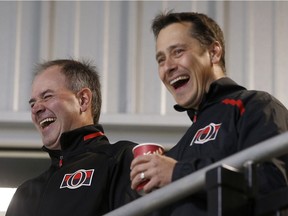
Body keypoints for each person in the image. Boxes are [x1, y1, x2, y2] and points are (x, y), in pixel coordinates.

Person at [130, 11, 288, 215]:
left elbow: (274, 183)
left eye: (177, 51)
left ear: (214, 52)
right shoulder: (178, 151)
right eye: (161, 59)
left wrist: (178, 173)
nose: (167, 67)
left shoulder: (255, 105)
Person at [6, 59, 139, 216]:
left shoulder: (123, 159)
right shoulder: (26, 193)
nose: (36, 109)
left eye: (47, 96)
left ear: (83, 100)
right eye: (32, 103)